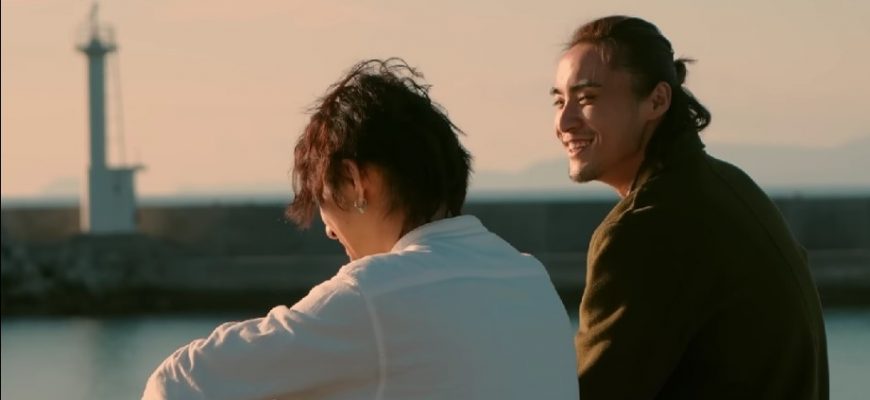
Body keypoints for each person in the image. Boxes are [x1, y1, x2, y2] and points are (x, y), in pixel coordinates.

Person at [142, 58, 578, 400]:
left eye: (321, 201)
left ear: (353, 181)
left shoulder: (374, 294)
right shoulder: (530, 279)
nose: (330, 232)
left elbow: (178, 383)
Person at [550, 16, 829, 399]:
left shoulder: (644, 228)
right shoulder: (729, 184)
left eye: (587, 99)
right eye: (559, 101)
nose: (565, 121)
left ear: (657, 100)